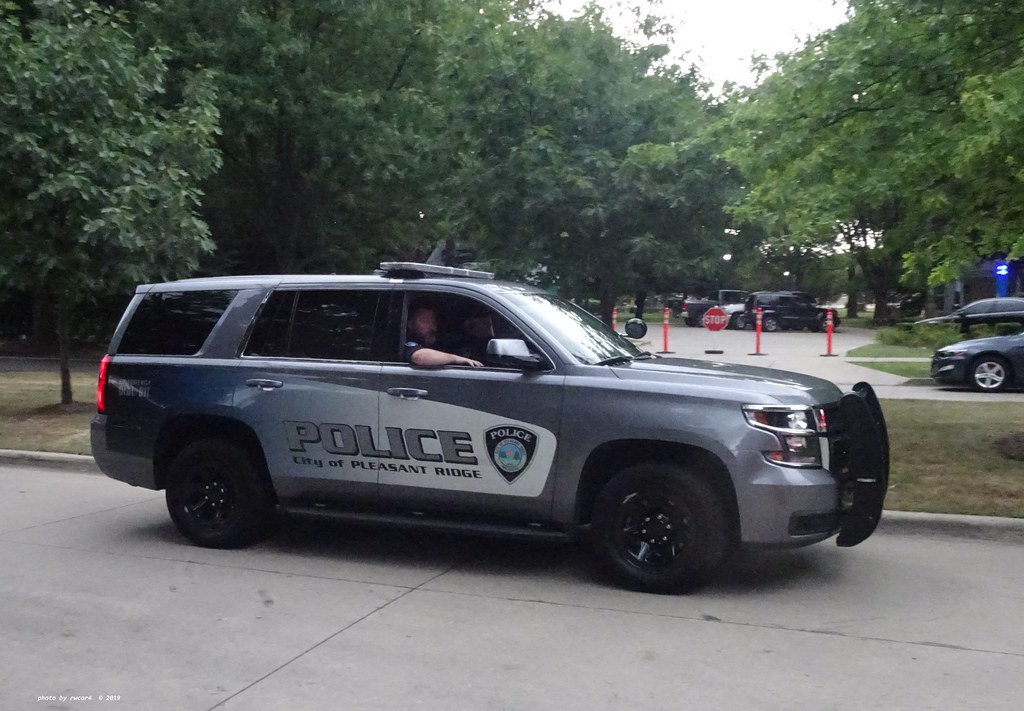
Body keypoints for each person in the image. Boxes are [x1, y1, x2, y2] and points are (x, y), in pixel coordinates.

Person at [404, 302, 483, 367]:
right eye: (425, 321)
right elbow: (419, 357)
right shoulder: (407, 342)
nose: (433, 327)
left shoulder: (441, 341)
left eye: (433, 321)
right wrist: (455, 359)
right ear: (410, 324)